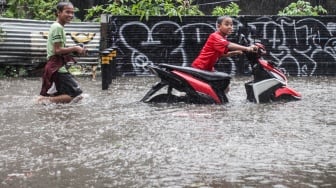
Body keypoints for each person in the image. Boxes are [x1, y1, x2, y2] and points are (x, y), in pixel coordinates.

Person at [38, 2, 87, 104]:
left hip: (55, 66)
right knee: (76, 95)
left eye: (72, 13)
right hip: (57, 68)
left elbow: (59, 50)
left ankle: (46, 102)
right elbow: (57, 50)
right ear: (59, 13)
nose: (70, 15)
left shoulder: (57, 27)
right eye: (67, 12)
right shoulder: (58, 27)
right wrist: (75, 48)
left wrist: (77, 50)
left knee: (61, 94)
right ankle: (43, 101)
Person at [191, 16, 257, 71]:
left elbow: (221, 55)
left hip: (208, 68)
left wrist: (235, 52)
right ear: (219, 26)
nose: (230, 27)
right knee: (223, 83)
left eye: (231, 25)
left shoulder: (222, 38)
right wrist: (247, 48)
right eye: (226, 24)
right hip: (200, 68)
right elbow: (229, 45)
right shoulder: (215, 36)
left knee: (224, 83)